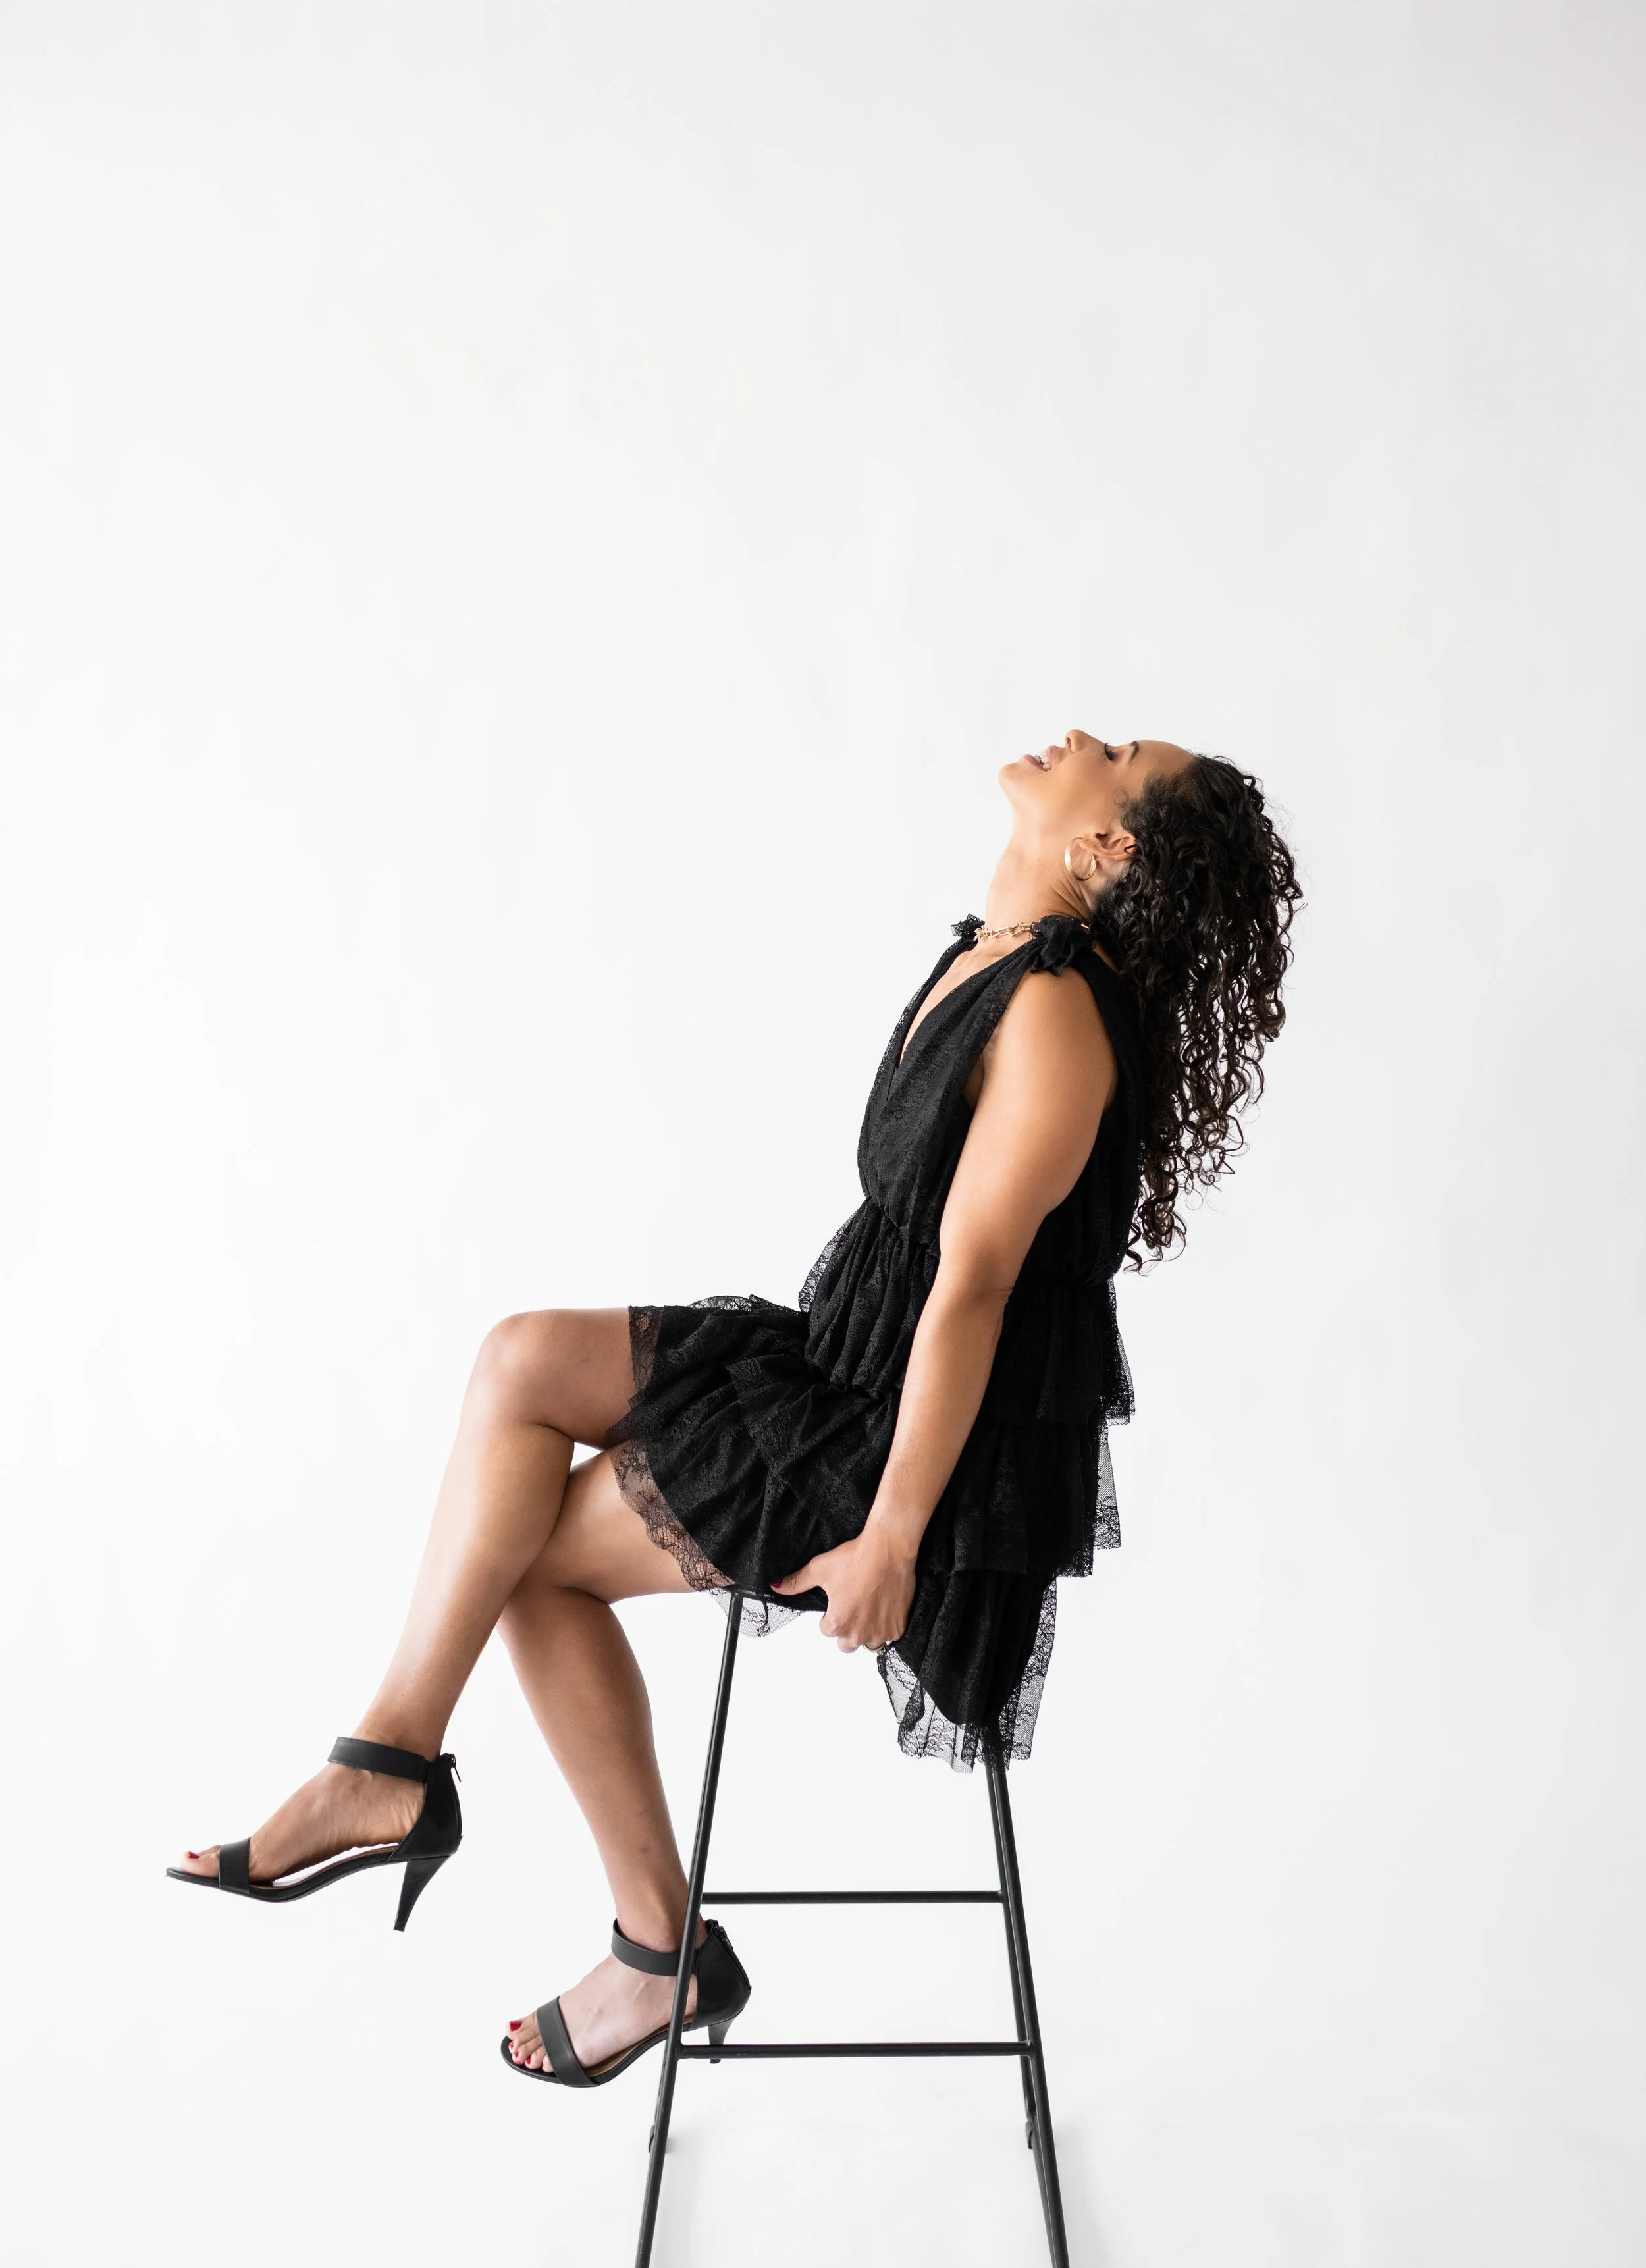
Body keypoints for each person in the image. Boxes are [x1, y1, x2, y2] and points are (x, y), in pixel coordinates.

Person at [170, 729, 1302, 2088]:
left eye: (1112, 755)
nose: (1075, 738)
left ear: (1103, 847)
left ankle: (641, 1940)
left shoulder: (1058, 1016)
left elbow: (974, 1295)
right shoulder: (996, 953)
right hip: (847, 1364)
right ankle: (397, 1760)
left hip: (911, 1459)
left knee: (520, 1555)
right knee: (518, 1362)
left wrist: (889, 1537)